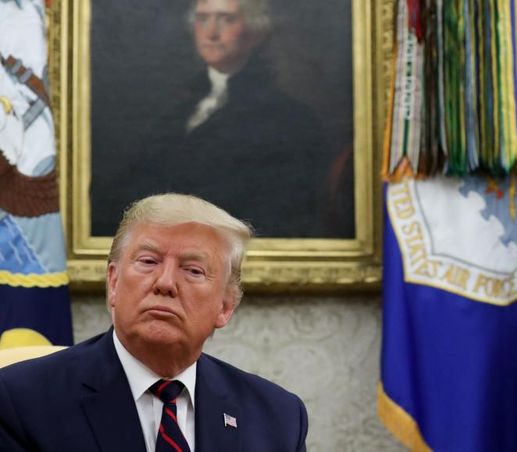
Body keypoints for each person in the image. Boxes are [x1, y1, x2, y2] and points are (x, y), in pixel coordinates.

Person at [0, 193, 308, 451]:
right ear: (113, 283)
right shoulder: (20, 401)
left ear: (225, 307)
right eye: (148, 262)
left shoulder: (278, 418)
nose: (165, 283)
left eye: (193, 270)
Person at [92, 0, 351, 239]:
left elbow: (280, 214)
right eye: (203, 19)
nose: (211, 32)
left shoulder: (289, 119)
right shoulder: (178, 109)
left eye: (226, 19)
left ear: (254, 33)